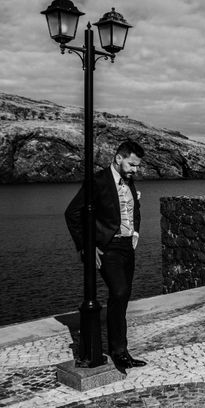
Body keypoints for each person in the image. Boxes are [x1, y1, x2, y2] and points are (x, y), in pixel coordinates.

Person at [65, 140, 147, 369]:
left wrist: (136, 232)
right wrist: (86, 246)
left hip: (126, 247)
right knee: (119, 292)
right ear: (118, 158)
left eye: (137, 166)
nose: (135, 170)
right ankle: (118, 352)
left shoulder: (129, 181)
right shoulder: (98, 181)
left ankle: (120, 350)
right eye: (132, 164)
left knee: (121, 299)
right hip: (107, 247)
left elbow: (133, 209)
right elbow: (72, 213)